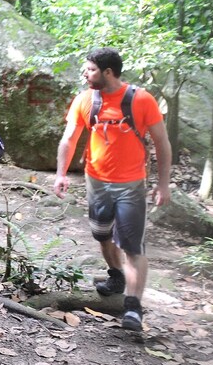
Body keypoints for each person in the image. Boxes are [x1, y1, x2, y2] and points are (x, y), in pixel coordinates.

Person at [54, 47, 172, 331]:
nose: (85, 74)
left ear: (108, 72)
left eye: (91, 69)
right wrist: (60, 173)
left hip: (131, 185)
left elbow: (162, 142)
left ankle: (133, 307)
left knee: (132, 245)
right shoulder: (85, 100)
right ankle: (115, 275)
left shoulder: (141, 100)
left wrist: (163, 184)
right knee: (101, 233)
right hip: (96, 182)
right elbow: (69, 139)